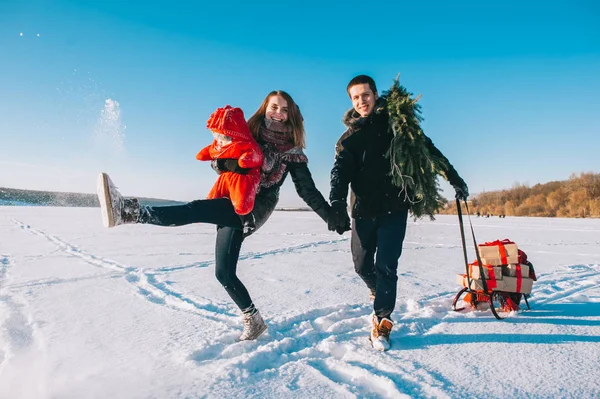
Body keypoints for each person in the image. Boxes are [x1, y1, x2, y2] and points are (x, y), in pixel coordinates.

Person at [97, 90, 335, 341]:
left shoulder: (292, 151)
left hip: (254, 207)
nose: (278, 113)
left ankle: (128, 211)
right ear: (265, 107)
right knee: (223, 273)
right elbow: (219, 154)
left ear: (291, 116)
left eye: (284, 110)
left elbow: (307, 190)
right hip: (231, 196)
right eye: (274, 107)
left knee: (195, 209)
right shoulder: (249, 132)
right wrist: (226, 164)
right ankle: (254, 320)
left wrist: (329, 215)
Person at [327, 75, 468, 351]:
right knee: (361, 265)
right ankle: (376, 290)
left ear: (375, 95)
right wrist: (336, 203)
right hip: (362, 211)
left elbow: (429, 150)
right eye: (355, 97)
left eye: (365, 95)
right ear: (351, 102)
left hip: (394, 208)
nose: (361, 101)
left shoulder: (397, 127)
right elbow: (339, 173)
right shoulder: (348, 139)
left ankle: (382, 320)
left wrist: (455, 179)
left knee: (387, 266)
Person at [196, 105, 263, 216]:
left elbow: (255, 156)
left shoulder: (245, 145)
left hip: (242, 179)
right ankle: (206, 210)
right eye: (217, 138)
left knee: (241, 204)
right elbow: (206, 153)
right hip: (225, 177)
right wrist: (215, 162)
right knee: (211, 202)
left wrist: (243, 160)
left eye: (224, 139)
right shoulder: (218, 146)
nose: (220, 142)